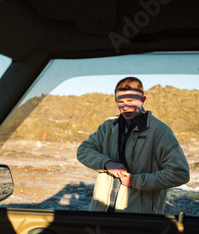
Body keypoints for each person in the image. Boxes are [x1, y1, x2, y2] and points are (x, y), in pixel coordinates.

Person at [77, 77, 190, 214]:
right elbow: (83, 150)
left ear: (142, 100)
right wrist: (107, 163)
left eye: (130, 101)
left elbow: (179, 173)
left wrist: (136, 181)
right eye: (121, 102)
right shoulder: (108, 126)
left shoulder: (159, 130)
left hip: (138, 217)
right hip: (103, 210)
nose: (125, 107)